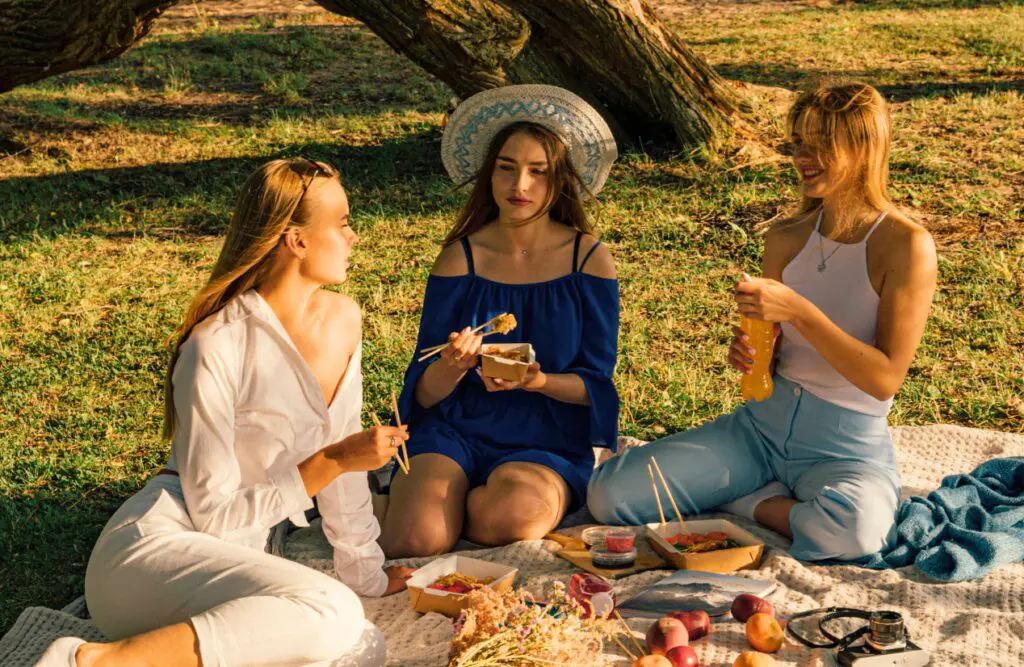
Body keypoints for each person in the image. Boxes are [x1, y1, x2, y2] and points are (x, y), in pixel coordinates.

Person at [38, 158, 414, 667]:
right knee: (331, 611)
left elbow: (346, 469)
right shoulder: (215, 345)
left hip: (234, 560)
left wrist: (365, 573)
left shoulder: (344, 319)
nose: (354, 237)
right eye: (343, 223)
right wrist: (331, 462)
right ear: (296, 240)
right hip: (156, 550)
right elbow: (214, 517)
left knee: (363, 648)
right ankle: (87, 660)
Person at [588, 81, 938, 562]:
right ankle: (762, 493)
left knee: (857, 534)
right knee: (609, 496)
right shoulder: (786, 237)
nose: (802, 157)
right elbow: (769, 358)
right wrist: (754, 355)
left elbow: (885, 378)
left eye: (818, 146)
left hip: (844, 450)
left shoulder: (906, 245)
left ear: (861, 147)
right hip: (758, 431)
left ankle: (748, 501)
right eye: (797, 144)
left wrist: (800, 312)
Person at [379, 85, 621, 558]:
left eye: (538, 171)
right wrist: (451, 363)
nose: (520, 186)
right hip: (455, 428)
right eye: (506, 168)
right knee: (415, 541)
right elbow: (424, 391)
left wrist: (538, 381)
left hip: (546, 437)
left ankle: (429, 506)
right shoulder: (460, 259)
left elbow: (596, 382)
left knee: (510, 519)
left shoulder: (587, 259)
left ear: (561, 179)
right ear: (489, 175)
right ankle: (419, 509)